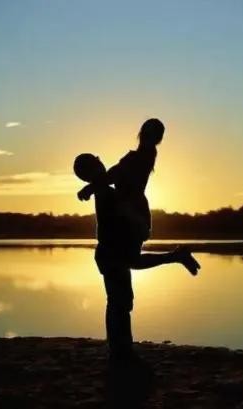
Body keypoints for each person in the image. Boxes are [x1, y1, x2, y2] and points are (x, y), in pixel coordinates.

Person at [73, 153, 199, 361]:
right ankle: (120, 348)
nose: (100, 167)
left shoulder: (104, 187)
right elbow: (120, 207)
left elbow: (114, 183)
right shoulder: (104, 190)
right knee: (119, 302)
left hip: (113, 250)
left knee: (120, 301)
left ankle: (120, 347)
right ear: (89, 173)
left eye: (98, 163)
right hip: (110, 251)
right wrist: (140, 225)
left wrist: (90, 188)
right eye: (94, 166)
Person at [76, 119, 202, 273]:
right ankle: (177, 256)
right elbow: (113, 175)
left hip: (133, 213)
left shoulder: (140, 158)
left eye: (151, 135)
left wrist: (91, 187)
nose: (146, 137)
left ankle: (177, 256)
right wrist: (93, 187)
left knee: (131, 261)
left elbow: (114, 175)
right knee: (130, 260)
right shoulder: (139, 157)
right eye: (147, 133)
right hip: (132, 213)